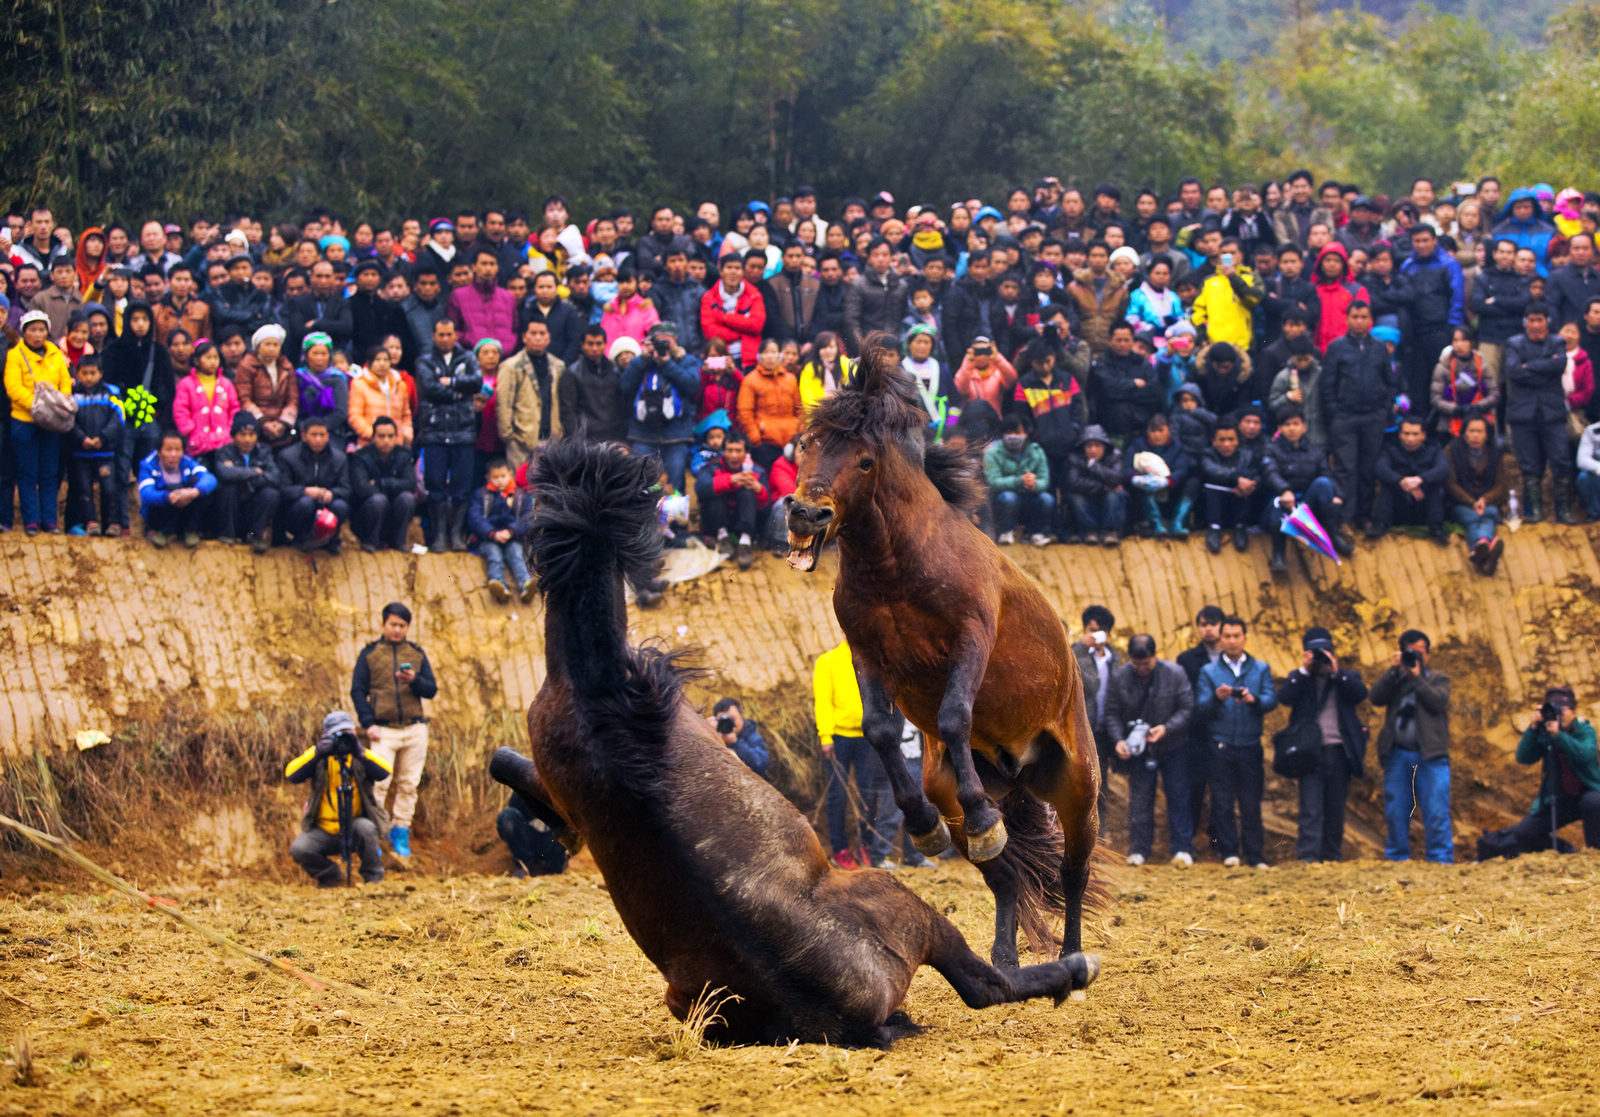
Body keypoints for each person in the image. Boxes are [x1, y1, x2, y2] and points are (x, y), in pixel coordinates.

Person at [351, 602, 439, 859]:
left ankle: (401, 833)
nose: (397, 630)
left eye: (402, 625)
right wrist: (368, 724)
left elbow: (431, 690)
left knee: (409, 784)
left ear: (408, 627)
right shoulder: (370, 654)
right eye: (393, 624)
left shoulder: (416, 653)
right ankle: (375, 834)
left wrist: (415, 681)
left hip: (414, 728)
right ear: (383, 624)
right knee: (380, 784)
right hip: (383, 730)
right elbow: (357, 691)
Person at [1102, 634, 1196, 868]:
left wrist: (1166, 728)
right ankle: (1139, 849)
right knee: (1140, 799)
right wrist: (1118, 741)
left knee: (1178, 796)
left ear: (1155, 656)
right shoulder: (1121, 676)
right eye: (1137, 663)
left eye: (1146, 663)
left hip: (1173, 746)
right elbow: (1111, 712)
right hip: (1139, 749)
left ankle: (1182, 849)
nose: (1142, 668)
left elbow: (1187, 708)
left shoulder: (1175, 673)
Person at [1277, 627, 1369, 863]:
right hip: (1310, 753)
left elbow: (1360, 694)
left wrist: (1336, 672)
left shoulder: (1347, 677)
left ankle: (1332, 857)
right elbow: (1285, 697)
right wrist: (1304, 671)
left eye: (1325, 652)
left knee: (1335, 809)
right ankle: (1308, 857)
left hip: (1339, 752)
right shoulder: (1300, 679)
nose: (1320, 657)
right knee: (1310, 808)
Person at [814, 640, 904, 870]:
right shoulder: (828, 661)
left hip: (868, 736)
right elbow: (823, 702)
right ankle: (839, 850)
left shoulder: (872, 661)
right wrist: (825, 736)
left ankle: (865, 846)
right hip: (838, 738)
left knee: (868, 791)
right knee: (838, 794)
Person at [1196, 615, 1275, 869]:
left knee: (1251, 803)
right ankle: (1229, 852)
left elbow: (1271, 699)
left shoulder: (1261, 668)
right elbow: (1200, 708)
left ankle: (1255, 855)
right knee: (1222, 802)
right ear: (1221, 639)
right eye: (1227, 636)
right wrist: (1217, 698)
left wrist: (1255, 701)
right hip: (1220, 746)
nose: (1231, 641)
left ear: (1245, 638)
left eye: (1236, 636)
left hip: (1250, 745)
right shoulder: (1209, 671)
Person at [1370, 629, 1453, 864]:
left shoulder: (1438, 678)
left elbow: (1438, 701)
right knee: (1396, 810)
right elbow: (1375, 698)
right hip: (1398, 753)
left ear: (1427, 655)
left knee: (1436, 811)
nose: (1415, 657)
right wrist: (1393, 671)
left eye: (1419, 652)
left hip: (1431, 755)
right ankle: (1398, 858)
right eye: (1410, 652)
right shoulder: (1395, 680)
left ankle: (1440, 860)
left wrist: (1416, 678)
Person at [1486, 687, 1600, 856]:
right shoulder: (1544, 731)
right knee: (1524, 833)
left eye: (1562, 710)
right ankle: (1567, 851)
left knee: (1595, 802)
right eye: (1554, 710)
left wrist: (1559, 736)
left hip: (1586, 795)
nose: (1559, 715)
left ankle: (1595, 852)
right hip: (1558, 799)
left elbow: (1586, 755)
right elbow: (1523, 757)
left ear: (1574, 710)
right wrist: (1533, 728)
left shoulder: (1583, 730)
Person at [285, 711, 393, 887]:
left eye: (346, 732)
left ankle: (373, 880)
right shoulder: (319, 757)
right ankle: (330, 876)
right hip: (325, 829)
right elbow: (291, 774)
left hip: (354, 826)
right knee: (300, 848)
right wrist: (318, 753)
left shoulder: (359, 756)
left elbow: (384, 771)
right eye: (336, 734)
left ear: (354, 732)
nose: (342, 739)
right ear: (326, 735)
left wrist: (359, 752)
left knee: (366, 828)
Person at [1320, 301, 1395, 536]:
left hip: (1373, 416)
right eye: (1355, 317)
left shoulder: (1380, 348)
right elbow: (1327, 384)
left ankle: (1364, 516)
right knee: (1345, 468)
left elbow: (1389, 381)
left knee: (1368, 468)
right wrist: (1334, 412)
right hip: (1345, 416)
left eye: (1364, 317)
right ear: (1347, 319)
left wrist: (1384, 409)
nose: (1359, 321)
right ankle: (1344, 518)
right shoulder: (1337, 347)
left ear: (1370, 319)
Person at [415, 316, 483, 550]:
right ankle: (439, 535)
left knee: (461, 486)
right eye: (440, 335)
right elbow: (430, 388)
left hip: (463, 430)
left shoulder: (468, 357)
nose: (445, 339)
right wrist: (459, 391)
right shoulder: (424, 360)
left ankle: (456, 535)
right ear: (433, 336)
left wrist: (450, 382)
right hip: (434, 430)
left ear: (456, 335)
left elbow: (476, 382)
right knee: (434, 485)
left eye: (449, 334)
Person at [1503, 304, 1574, 524]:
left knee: (1561, 460)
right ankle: (1534, 512)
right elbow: (1513, 371)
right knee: (1529, 465)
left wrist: (1529, 367)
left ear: (1547, 321)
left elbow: (1559, 364)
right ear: (1525, 321)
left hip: (1552, 413)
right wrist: (1545, 367)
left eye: (1539, 320)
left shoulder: (1558, 342)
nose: (1535, 325)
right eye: (1531, 320)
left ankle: (1564, 511)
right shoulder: (1514, 343)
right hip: (1523, 414)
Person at [5, 310, 74, 535]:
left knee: (49, 472)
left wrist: (59, 404)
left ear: (47, 331)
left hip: (51, 423)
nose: (37, 334)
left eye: (41, 329)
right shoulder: (15, 355)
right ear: (24, 332)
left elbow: (65, 382)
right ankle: (31, 520)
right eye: (32, 330)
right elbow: (13, 387)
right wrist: (36, 406)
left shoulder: (55, 354)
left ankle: (50, 520)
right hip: (24, 420)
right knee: (27, 473)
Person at [620, 322, 701, 493]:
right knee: (642, 482)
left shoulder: (686, 361)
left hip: (676, 433)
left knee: (675, 480)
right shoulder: (642, 361)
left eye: (667, 342)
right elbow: (625, 386)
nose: (662, 346)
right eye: (658, 342)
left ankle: (674, 519)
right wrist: (642, 360)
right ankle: (646, 519)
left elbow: (692, 385)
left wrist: (667, 363)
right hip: (643, 432)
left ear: (675, 340)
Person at [66, 356, 127, 537]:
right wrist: (81, 438)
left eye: (93, 373)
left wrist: (102, 437)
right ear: (78, 374)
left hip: (105, 452)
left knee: (109, 488)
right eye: (85, 373)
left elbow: (118, 417)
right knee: (84, 489)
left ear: (100, 373)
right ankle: (90, 522)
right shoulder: (73, 393)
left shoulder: (111, 392)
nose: (89, 377)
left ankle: (113, 523)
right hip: (81, 451)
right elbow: (68, 420)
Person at [275, 417, 351, 553]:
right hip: (298, 505)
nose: (318, 439)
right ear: (304, 436)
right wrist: (304, 491)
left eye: (322, 435)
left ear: (328, 436)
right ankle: (301, 538)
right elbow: (282, 488)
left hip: (325, 503)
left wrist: (332, 493)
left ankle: (330, 540)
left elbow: (346, 489)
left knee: (340, 506)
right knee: (305, 504)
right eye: (314, 435)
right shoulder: (288, 456)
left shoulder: (339, 458)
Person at [695, 427, 768, 569]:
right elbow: (700, 489)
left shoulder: (757, 471)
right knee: (714, 491)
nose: (734, 455)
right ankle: (723, 538)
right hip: (717, 521)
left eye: (738, 450)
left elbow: (766, 508)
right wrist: (730, 480)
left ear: (746, 452)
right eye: (729, 450)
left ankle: (745, 543)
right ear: (723, 451)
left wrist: (759, 489)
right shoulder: (712, 467)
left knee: (748, 490)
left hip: (744, 520)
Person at [210, 412, 280, 551]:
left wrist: (242, 476)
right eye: (242, 434)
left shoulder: (264, 452)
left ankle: (256, 536)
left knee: (271, 493)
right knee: (228, 488)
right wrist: (254, 472)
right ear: (234, 435)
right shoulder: (224, 452)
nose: (247, 439)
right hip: (230, 508)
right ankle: (227, 535)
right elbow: (224, 473)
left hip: (252, 505)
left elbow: (275, 477)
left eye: (251, 434)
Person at [1371, 417, 1449, 543]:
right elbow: (1380, 468)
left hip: (1424, 501)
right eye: (1406, 433)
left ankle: (1436, 529)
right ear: (1400, 434)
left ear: (1423, 435)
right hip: (1398, 502)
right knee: (1387, 486)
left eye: (1415, 434)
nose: (1410, 439)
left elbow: (1443, 468)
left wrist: (1420, 480)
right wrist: (1401, 481)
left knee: (1437, 487)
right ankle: (1380, 526)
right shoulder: (1390, 448)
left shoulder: (1434, 448)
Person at [1446, 415, 1507, 574]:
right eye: (1471, 431)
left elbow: (1501, 485)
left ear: (1486, 434)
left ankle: (1479, 549)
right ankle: (1486, 549)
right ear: (1464, 433)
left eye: (1479, 431)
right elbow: (1450, 484)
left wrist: (1485, 500)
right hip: (1460, 502)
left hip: (1486, 502)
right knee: (1472, 517)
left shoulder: (1494, 452)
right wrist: (1471, 502)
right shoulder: (1452, 450)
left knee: (1489, 513)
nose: (1475, 435)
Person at [469, 457, 534, 604]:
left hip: (513, 537)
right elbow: (475, 518)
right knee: (494, 555)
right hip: (488, 538)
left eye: (503, 476)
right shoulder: (481, 495)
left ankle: (525, 584)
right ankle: (499, 584)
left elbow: (527, 518)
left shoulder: (521, 496)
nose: (499, 481)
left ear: (511, 474)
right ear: (487, 478)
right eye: (495, 477)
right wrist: (492, 533)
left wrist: (511, 531)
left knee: (516, 554)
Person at [349, 415, 417, 553]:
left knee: (407, 498)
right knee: (378, 500)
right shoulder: (361, 457)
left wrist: (381, 483)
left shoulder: (403, 455)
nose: (386, 441)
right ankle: (370, 542)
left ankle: (399, 542)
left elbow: (410, 484)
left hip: (394, 511)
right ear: (373, 437)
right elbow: (361, 488)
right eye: (381, 436)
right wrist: (394, 486)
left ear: (396, 437)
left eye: (390, 436)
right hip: (367, 514)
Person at [137, 429, 216, 548]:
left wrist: (194, 492)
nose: (173, 454)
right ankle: (164, 532)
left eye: (177, 450)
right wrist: (168, 497)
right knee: (173, 488)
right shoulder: (148, 465)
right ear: (159, 451)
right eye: (168, 450)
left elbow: (210, 479)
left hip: (184, 507)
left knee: (202, 487)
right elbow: (146, 494)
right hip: (159, 514)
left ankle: (189, 530)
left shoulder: (187, 462)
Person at [983, 413, 1053, 546]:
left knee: (1046, 499)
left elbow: (1044, 480)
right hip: (1003, 499)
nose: (1013, 436)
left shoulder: (1036, 451)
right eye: (1009, 432)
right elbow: (993, 481)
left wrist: (1034, 484)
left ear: (1026, 433)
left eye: (1017, 432)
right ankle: (1006, 531)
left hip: (1030, 495)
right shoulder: (993, 452)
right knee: (1009, 498)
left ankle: (1036, 533)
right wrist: (1019, 480)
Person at [735, 338, 801, 472]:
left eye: (774, 352)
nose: (770, 356)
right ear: (759, 356)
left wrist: (800, 433)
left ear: (779, 355)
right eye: (766, 352)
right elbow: (744, 414)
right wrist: (756, 439)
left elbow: (799, 410)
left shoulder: (791, 379)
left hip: (791, 440)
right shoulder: (750, 380)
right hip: (765, 443)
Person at [701, 254, 765, 369]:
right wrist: (739, 333)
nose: (733, 272)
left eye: (737, 268)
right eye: (729, 267)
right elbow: (710, 331)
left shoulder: (754, 295)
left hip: (749, 359)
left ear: (743, 272)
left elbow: (756, 325)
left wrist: (727, 318)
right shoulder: (709, 297)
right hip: (720, 358)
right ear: (721, 271)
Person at [1065, 424, 1125, 546]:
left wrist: (1095, 466)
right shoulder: (1075, 458)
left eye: (1097, 445)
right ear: (1083, 447)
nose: (1093, 450)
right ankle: (1089, 531)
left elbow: (1116, 478)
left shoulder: (1115, 456)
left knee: (1115, 495)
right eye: (1089, 446)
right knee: (1075, 498)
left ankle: (1110, 531)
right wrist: (1102, 486)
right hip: (1087, 500)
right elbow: (1074, 482)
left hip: (1108, 502)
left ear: (1104, 446)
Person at [496, 791, 571, 878]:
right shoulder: (522, 787)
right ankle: (526, 865)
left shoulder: (558, 789)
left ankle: (556, 868)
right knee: (507, 816)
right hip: (530, 840)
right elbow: (511, 820)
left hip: (553, 841)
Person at [709, 697, 770, 777]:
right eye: (723, 720)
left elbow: (761, 764)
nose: (728, 723)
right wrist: (708, 732)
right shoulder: (715, 732)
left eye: (732, 719)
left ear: (741, 716)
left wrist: (736, 743)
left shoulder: (750, 734)